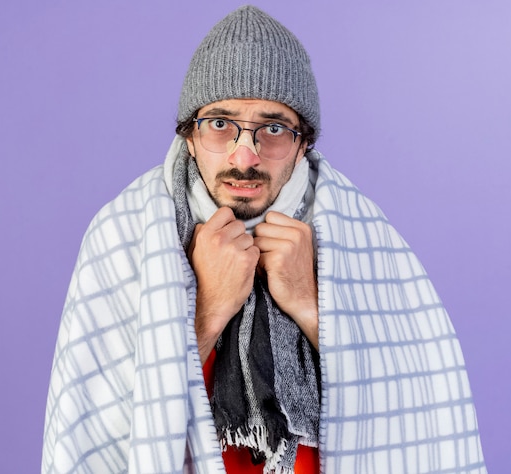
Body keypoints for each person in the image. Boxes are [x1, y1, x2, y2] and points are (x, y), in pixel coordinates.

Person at [42, 5, 486, 473]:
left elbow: (414, 419)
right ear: (189, 135)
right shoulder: (125, 233)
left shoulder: (363, 235)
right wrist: (210, 309)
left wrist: (311, 306)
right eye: (220, 123)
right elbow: (103, 429)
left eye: (272, 129)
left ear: (304, 142)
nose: (245, 155)